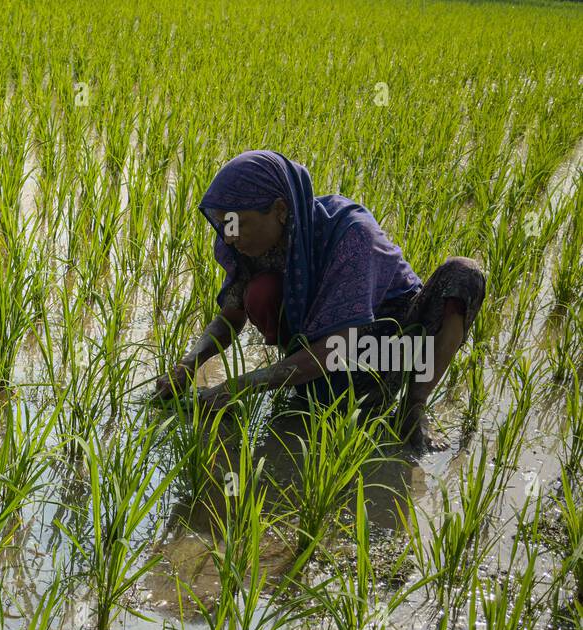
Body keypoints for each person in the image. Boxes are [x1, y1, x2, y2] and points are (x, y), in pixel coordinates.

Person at [153, 150, 486, 451]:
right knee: (260, 291)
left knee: (463, 274)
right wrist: (188, 364)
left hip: (386, 344)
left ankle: (413, 408)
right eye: (224, 224)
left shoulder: (351, 233)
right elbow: (230, 317)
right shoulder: (251, 245)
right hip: (322, 352)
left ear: (280, 210)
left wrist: (242, 385)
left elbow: (340, 346)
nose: (229, 235)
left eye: (238, 223)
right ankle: (313, 388)